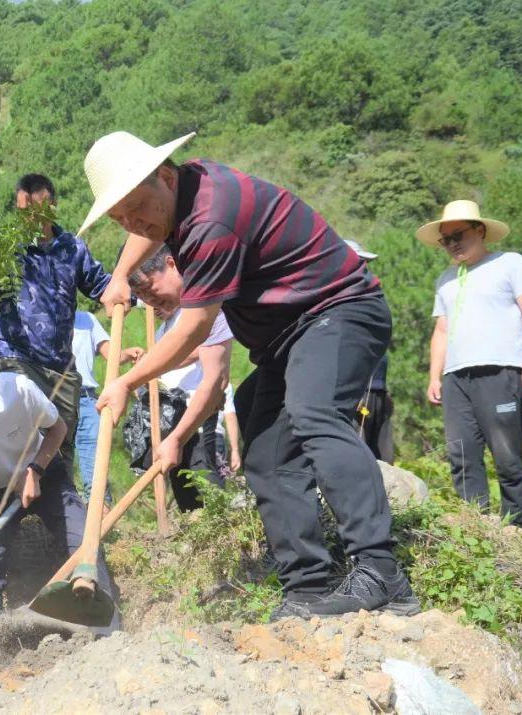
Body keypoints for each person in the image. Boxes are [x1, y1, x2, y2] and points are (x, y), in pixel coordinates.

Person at [79, 130, 418, 621]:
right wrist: (117, 275)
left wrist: (126, 383)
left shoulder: (212, 220)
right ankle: (307, 586)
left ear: (166, 178)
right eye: (120, 218)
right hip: (286, 338)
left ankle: (382, 572)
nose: (134, 223)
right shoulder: (177, 193)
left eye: (137, 208)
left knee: (315, 414)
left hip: (338, 310)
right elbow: (144, 224)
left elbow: (194, 328)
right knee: (265, 453)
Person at [0, 354, 116, 623]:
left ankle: (106, 622)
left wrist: (34, 470)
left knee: (83, 542)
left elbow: (57, 429)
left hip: (43, 472)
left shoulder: (18, 391)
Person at [418, 200, 522, 527]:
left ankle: (515, 528)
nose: (452, 243)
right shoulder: (446, 278)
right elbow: (441, 330)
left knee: (506, 456)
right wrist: (434, 376)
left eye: (458, 234)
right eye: (445, 240)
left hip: (500, 370)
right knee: (461, 455)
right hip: (456, 378)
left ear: (480, 230)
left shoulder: (509, 263)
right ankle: (477, 526)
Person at [0, 174, 113, 488]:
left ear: (53, 207)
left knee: (60, 453)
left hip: (61, 369)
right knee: (24, 443)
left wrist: (131, 290)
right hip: (17, 360)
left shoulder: (72, 248)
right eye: (24, 212)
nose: (31, 218)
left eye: (38, 210)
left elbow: (102, 286)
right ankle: (12, 515)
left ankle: (61, 524)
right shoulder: (5, 249)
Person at [127, 246, 233, 511]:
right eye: (143, 298)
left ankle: (220, 527)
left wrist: (156, 364)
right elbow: (137, 293)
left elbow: (199, 349)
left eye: (152, 293)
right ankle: (195, 531)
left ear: (171, 265)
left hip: (197, 406)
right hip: (172, 415)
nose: (152, 303)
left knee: (202, 471)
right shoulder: (165, 330)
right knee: (179, 473)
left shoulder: (195, 311)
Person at [70, 310, 143, 502]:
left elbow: (113, 356)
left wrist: (127, 354)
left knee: (95, 465)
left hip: (86, 398)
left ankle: (101, 518)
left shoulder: (86, 319)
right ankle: (67, 520)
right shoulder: (41, 316)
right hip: (56, 398)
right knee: (58, 462)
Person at [344, 240, 394, 464]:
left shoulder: (370, 296)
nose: (363, 268)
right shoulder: (337, 300)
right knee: (357, 452)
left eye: (364, 263)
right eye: (358, 262)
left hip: (378, 391)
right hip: (353, 391)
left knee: (383, 456)